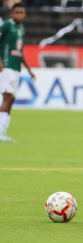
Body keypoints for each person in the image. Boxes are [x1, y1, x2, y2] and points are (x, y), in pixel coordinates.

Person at [0, 3, 35, 142]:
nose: (19, 15)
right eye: (17, 13)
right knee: (7, 97)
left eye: (22, 13)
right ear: (11, 14)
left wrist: (29, 69)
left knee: (11, 98)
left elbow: (20, 51)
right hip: (6, 66)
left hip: (16, 67)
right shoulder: (7, 25)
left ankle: (3, 130)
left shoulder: (21, 28)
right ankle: (0, 131)